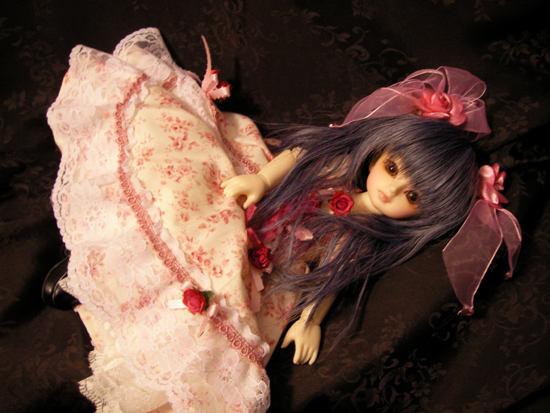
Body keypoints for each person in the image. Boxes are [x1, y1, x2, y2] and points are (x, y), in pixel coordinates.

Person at [45, 28, 520, 413]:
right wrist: (262, 180)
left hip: (273, 273)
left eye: (412, 197)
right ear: (383, 149)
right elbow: (298, 156)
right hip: (259, 205)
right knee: (183, 208)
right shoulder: (338, 165)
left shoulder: (364, 239)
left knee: (217, 309)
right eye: (393, 168)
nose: (390, 191)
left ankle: (98, 303)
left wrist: (310, 321)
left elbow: (334, 278)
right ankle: (92, 272)